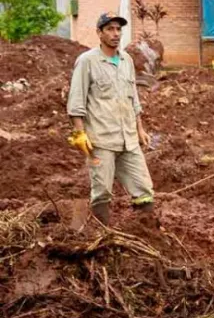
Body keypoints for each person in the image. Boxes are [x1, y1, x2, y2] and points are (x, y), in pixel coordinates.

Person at [66, 12, 155, 226]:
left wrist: (140, 129)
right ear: (99, 33)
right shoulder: (87, 61)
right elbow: (76, 100)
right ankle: (103, 235)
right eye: (110, 29)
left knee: (143, 187)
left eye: (118, 29)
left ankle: (149, 234)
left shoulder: (127, 60)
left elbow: (133, 97)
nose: (116, 34)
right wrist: (79, 133)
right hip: (101, 139)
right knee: (102, 191)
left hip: (129, 139)